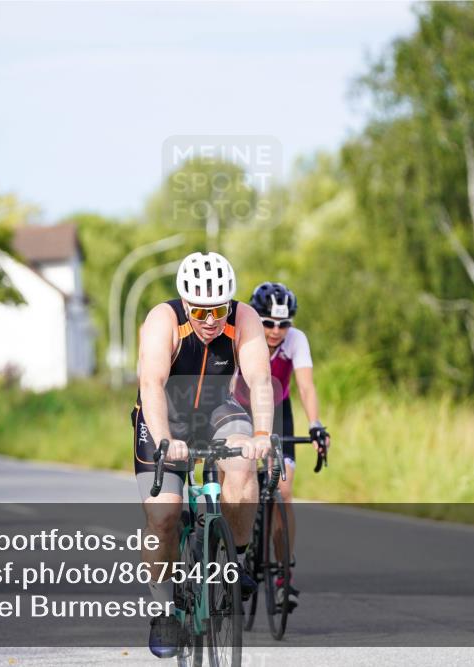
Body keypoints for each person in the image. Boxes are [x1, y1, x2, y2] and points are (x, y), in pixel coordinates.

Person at [134, 251, 274, 658]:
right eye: (200, 311)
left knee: (244, 465)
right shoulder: (163, 319)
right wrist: (164, 439)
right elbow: (151, 383)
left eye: (218, 310)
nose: (211, 321)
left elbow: (260, 380)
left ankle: (236, 562)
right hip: (166, 417)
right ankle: (163, 610)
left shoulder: (243, 318)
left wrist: (262, 433)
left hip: (218, 409)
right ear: (185, 303)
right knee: (164, 515)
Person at [233, 282, 331, 612]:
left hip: (278, 411)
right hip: (240, 408)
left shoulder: (296, 341)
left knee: (283, 489)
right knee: (234, 478)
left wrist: (315, 424)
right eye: (268, 323)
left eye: (284, 323)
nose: (276, 331)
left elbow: (306, 386)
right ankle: (234, 551)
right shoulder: (241, 334)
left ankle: (282, 572)